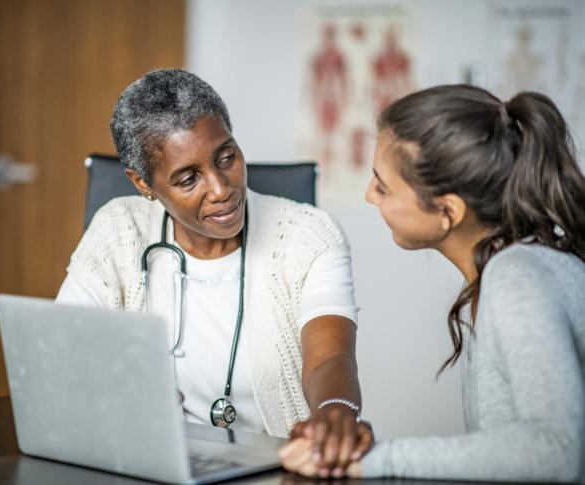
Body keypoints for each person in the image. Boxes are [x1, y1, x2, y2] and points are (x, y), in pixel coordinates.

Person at [56, 68, 374, 477]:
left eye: (226, 157)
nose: (221, 188)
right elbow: (63, 354)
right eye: (188, 179)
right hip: (146, 465)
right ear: (143, 184)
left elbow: (329, 356)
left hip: (273, 471)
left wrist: (335, 412)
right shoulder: (118, 230)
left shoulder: (307, 236)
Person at [280, 84, 585, 482]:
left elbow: (556, 450)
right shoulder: (499, 271)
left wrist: (370, 460)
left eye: (383, 185)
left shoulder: (517, 279)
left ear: (447, 211)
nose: (370, 196)